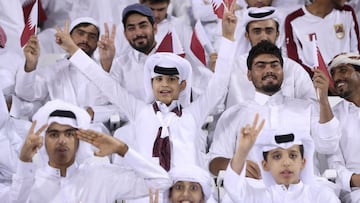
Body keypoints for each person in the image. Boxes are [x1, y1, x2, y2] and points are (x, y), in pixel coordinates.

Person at [52, 1, 237, 202]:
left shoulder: (193, 114)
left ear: (182, 85)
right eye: (159, 79)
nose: (164, 85)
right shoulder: (140, 111)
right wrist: (73, 50)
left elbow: (218, 86)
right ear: (151, 83)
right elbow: (103, 81)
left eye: (171, 79)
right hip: (145, 194)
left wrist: (227, 38)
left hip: (185, 193)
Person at [208, 41, 340, 179]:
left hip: (304, 191)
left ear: (282, 71)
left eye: (274, 65)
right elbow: (214, 162)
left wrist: (323, 100)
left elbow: (328, 145)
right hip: (254, 191)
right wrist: (236, 164)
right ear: (249, 74)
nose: (269, 70)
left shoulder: (307, 108)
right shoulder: (234, 114)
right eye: (261, 66)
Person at [5, 99, 171, 203]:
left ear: (79, 140)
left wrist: (122, 149)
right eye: (54, 134)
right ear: (44, 140)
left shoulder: (100, 176)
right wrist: (23, 162)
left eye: (69, 134)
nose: (62, 140)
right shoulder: (29, 182)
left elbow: (161, 181)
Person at [15, 17, 119, 133]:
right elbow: (25, 93)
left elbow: (122, 109)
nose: (85, 39)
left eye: (92, 36)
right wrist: (31, 64)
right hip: (57, 134)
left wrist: (95, 113)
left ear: (97, 42)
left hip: (94, 134)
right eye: (80, 33)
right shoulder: (53, 70)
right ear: (69, 37)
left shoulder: (105, 70)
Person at [223, 114, 340, 202]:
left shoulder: (322, 197)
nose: (286, 163)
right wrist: (242, 151)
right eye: (277, 156)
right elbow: (232, 187)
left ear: (303, 162)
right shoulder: (257, 197)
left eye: (293, 155)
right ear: (265, 165)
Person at [226, 6, 316, 108]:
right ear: (247, 35)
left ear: (277, 34)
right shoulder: (232, 67)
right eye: (257, 31)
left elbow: (311, 107)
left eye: (269, 31)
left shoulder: (294, 69)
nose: (264, 37)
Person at [284, 0, 360, 77]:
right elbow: (296, 63)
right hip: (315, 82)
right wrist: (323, 79)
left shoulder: (347, 12)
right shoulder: (293, 20)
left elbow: (356, 52)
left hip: (348, 78)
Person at [326, 53, 360, 203]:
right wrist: (355, 179)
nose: (337, 78)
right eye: (333, 73)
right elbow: (333, 165)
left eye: (343, 70)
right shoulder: (332, 117)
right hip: (355, 191)